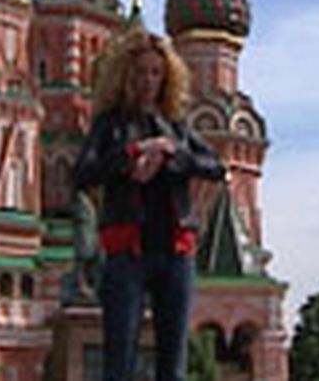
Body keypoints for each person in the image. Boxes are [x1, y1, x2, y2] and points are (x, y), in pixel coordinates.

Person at [75, 30, 226, 381]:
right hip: (128, 252)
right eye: (141, 71)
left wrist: (170, 152)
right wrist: (132, 156)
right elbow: (83, 173)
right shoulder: (110, 124)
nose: (148, 80)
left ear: (167, 76)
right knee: (119, 363)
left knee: (173, 365)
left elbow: (215, 166)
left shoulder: (175, 126)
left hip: (175, 253)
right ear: (126, 75)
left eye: (156, 72)